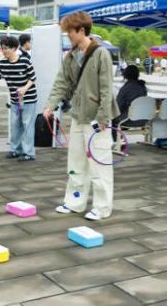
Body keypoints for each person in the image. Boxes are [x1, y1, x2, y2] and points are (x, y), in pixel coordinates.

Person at [44, 11, 118, 220]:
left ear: (82, 30)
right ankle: (74, 202)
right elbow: (61, 82)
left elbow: (107, 89)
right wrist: (50, 105)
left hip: (97, 119)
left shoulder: (101, 54)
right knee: (76, 163)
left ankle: (102, 208)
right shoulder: (71, 56)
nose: (68, 36)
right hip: (78, 115)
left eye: (70, 32)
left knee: (99, 165)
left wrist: (103, 117)